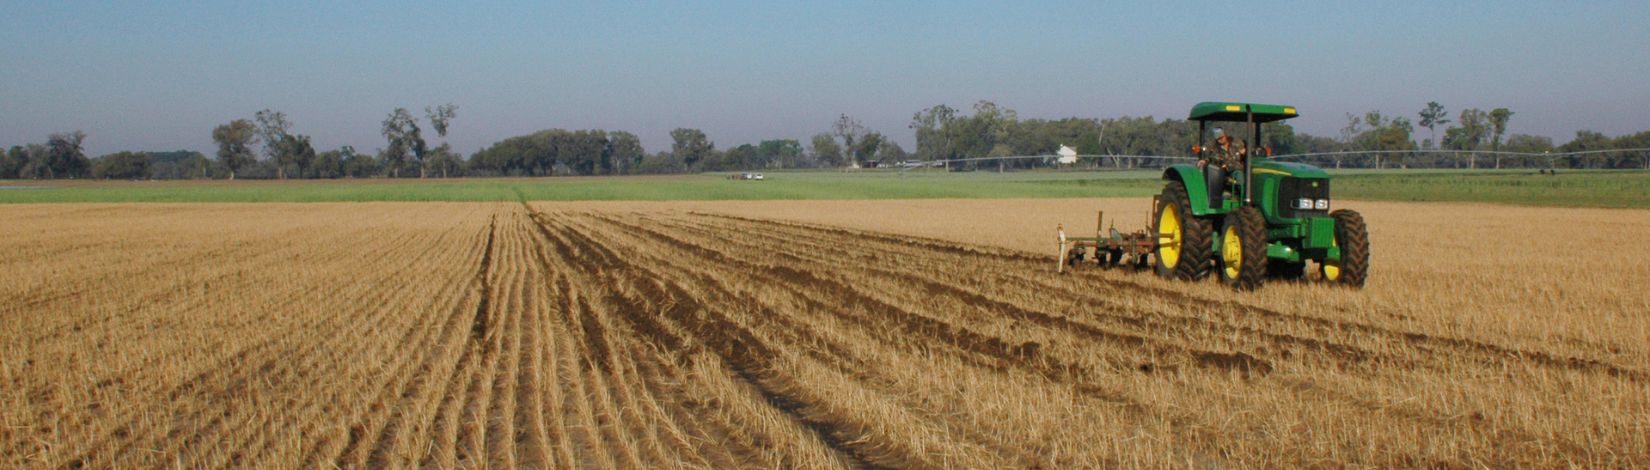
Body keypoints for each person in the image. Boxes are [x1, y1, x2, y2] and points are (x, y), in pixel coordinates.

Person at [1197, 129, 1247, 208]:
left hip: (1242, 168)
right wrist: (1205, 161)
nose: (1221, 140)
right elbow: (1212, 158)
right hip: (1229, 171)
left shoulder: (1236, 144)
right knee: (1240, 178)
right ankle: (1244, 202)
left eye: (1222, 137)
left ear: (1225, 135)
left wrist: (1245, 152)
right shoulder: (1216, 150)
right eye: (1218, 139)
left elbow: (1245, 153)